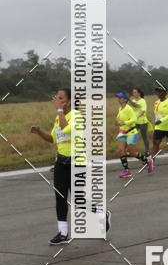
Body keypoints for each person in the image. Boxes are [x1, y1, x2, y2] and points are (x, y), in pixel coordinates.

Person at [29, 88, 110, 244]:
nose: (57, 100)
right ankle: (63, 233)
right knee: (60, 197)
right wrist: (39, 132)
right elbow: (53, 138)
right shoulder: (58, 117)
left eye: (61, 98)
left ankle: (101, 213)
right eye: (56, 97)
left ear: (69, 101)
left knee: (79, 201)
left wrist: (59, 110)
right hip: (61, 162)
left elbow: (66, 129)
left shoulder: (77, 116)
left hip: (77, 163)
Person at [115, 93, 149, 178]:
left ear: (125, 100)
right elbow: (120, 119)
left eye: (120, 97)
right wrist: (118, 123)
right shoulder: (120, 108)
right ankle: (127, 171)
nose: (118, 99)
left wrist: (124, 122)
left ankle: (147, 161)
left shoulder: (128, 108)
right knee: (120, 150)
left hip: (131, 132)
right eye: (118, 97)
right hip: (123, 132)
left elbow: (134, 119)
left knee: (132, 153)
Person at [130, 87, 151, 159]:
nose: (134, 94)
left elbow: (143, 111)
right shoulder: (133, 101)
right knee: (132, 136)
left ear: (139, 93)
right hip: (135, 123)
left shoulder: (142, 101)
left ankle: (147, 152)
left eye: (135, 92)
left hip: (142, 122)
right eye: (133, 92)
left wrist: (137, 117)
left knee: (144, 137)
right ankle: (133, 152)